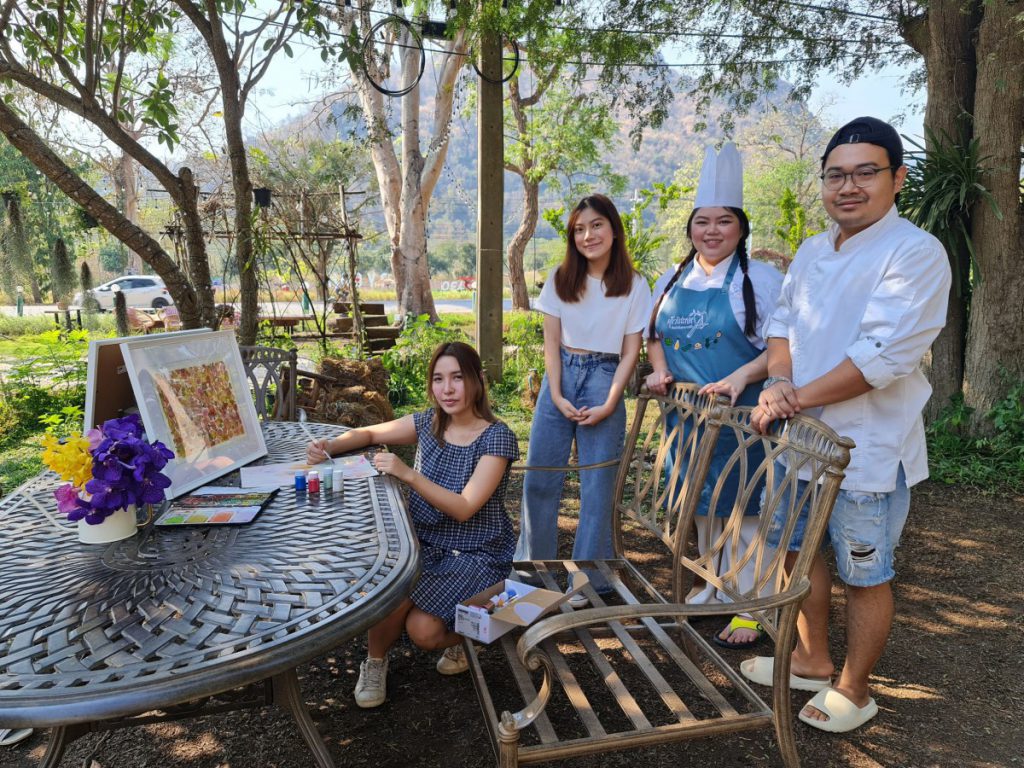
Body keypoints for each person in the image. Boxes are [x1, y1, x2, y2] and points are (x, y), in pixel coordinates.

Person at [741, 117, 951, 733]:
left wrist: (790, 398)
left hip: (868, 449)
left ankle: (855, 690)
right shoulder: (811, 249)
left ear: (898, 178)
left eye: (866, 172)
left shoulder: (915, 252)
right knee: (798, 556)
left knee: (866, 572)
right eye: (836, 174)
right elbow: (781, 326)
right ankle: (811, 657)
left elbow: (880, 358)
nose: (848, 186)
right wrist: (778, 382)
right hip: (799, 437)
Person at [307, 341, 519, 708]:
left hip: (476, 551)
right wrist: (329, 445)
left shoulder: (496, 437)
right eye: (439, 379)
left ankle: (489, 623)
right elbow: (372, 434)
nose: (447, 389)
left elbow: (465, 507)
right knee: (398, 582)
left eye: (457, 378)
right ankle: (375, 662)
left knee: (423, 631)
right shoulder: (429, 423)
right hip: (425, 542)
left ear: (478, 381)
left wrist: (407, 474)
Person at [645, 143, 784, 649]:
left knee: (746, 510)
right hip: (688, 419)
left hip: (745, 419)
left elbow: (782, 351)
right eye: (702, 221)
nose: (711, 231)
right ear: (690, 228)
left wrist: (743, 378)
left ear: (741, 228)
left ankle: (750, 606)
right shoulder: (671, 279)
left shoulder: (762, 281)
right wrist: (660, 373)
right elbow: (653, 337)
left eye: (723, 221)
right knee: (702, 506)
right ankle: (713, 588)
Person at [515, 194, 652, 604]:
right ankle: (532, 570)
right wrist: (554, 394)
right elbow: (551, 344)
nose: (588, 235)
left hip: (606, 378)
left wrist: (611, 402)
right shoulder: (561, 278)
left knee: (597, 484)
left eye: (596, 226)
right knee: (540, 476)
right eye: (579, 229)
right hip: (563, 375)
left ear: (613, 229)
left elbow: (631, 351)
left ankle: (587, 581)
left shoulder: (634, 285)